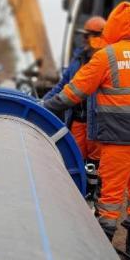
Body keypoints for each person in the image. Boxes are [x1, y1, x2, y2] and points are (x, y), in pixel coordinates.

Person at [44, 2, 130, 260]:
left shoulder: (107, 56)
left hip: (122, 137)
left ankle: (100, 255)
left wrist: (45, 107)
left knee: (110, 195)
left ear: (114, 25)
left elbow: (75, 92)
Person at [43, 16, 106, 204]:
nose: (85, 40)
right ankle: (75, 196)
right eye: (85, 36)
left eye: (89, 36)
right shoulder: (79, 57)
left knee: (95, 164)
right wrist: (44, 103)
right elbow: (64, 84)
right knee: (75, 158)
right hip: (78, 119)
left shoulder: (105, 59)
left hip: (98, 121)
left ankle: (93, 197)